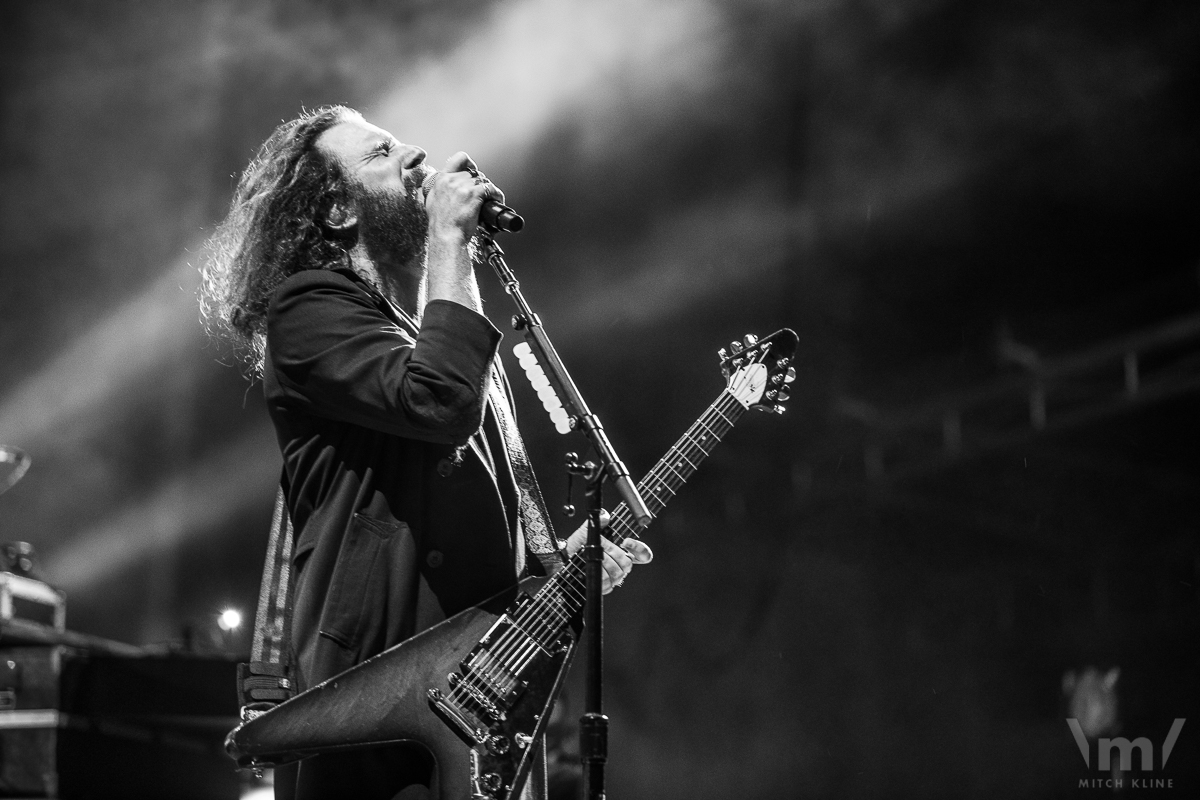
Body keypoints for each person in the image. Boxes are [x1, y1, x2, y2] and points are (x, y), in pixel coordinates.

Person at [200, 105, 652, 800]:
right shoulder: (307, 311)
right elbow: (436, 402)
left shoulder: (437, 331)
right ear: (334, 209)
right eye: (382, 153)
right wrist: (449, 237)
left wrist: (560, 566)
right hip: (380, 704)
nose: (417, 155)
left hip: (477, 706)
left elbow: (484, 511)